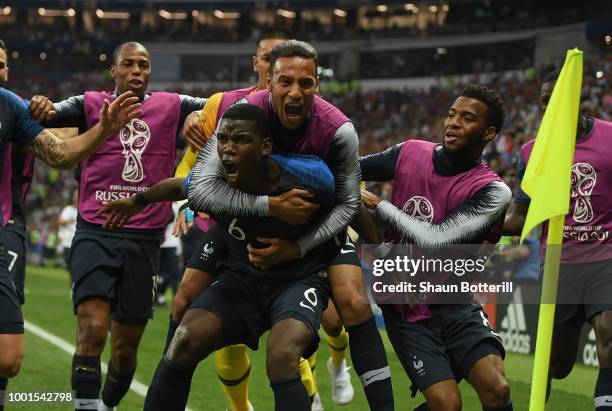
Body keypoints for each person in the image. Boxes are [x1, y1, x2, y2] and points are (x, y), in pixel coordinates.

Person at [187, 40, 394, 411]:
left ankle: (350, 379)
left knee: (353, 304)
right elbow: (199, 188)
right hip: (246, 222)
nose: (295, 92)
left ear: (317, 84)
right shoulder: (238, 112)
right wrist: (270, 205)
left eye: (306, 83)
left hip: (315, 228)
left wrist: (297, 247)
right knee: (185, 300)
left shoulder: (336, 129)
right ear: (267, 79)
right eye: (285, 81)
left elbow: (348, 203)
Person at [29, 41, 206, 411]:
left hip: (144, 241)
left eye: (143, 65)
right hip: (95, 230)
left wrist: (198, 117)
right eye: (129, 64)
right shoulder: (90, 104)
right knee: (92, 330)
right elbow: (47, 114)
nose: (137, 71)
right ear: (115, 71)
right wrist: (42, 105)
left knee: (125, 353)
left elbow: (222, 106)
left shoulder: (173, 106)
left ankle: (108, 402)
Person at [359, 85, 513, 411]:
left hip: (456, 302)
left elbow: (438, 239)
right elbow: (352, 167)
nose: (453, 123)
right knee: (447, 405)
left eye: (467, 118)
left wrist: (379, 205)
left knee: (496, 388)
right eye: (451, 114)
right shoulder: (410, 152)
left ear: (489, 133)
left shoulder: (493, 191)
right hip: (405, 301)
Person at [0, 78, 140, 411]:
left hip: (5, 229)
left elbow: (60, 153)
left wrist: (103, 129)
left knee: (8, 357)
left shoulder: (7, 104)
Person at [504, 69, 612, 410]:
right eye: (544, 102)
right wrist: (476, 225)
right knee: (555, 364)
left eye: (557, 99)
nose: (551, 107)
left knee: (609, 333)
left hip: (605, 258)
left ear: (577, 98)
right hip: (558, 265)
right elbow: (520, 217)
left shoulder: (611, 138)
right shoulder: (532, 153)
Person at [58, 190, 78, 270]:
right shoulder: (68, 209)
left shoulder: (83, 211)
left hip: (78, 241)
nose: (76, 197)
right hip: (68, 243)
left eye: (77, 195)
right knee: (70, 268)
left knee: (76, 268)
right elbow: (60, 221)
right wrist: (70, 221)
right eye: (75, 195)